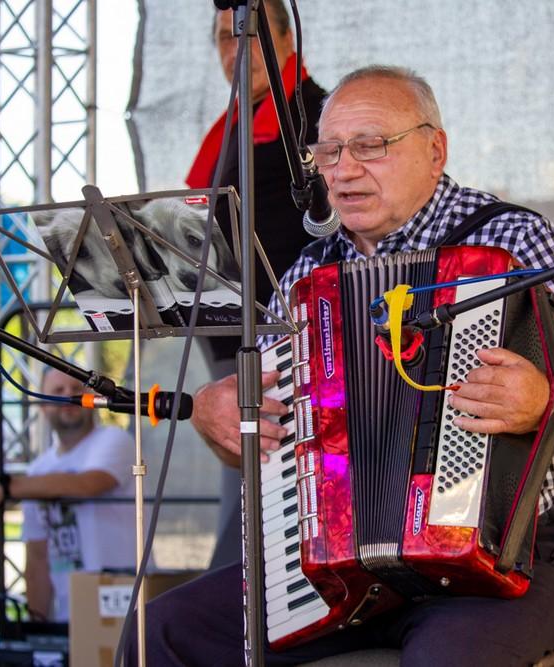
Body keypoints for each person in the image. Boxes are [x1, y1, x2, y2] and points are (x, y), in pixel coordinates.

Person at [133, 65, 554, 666]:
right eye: (328, 151)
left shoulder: (517, 245)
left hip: (511, 557)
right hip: (336, 565)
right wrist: (226, 423)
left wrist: (548, 402)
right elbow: (264, 450)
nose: (343, 169)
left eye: (370, 146)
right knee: (158, 635)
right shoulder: (304, 278)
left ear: (434, 149)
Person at [187, 0, 326, 569]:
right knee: (248, 504)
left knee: (262, 513)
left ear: (285, 41)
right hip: (229, 344)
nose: (234, 51)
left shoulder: (319, 116)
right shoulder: (231, 129)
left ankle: (243, 615)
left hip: (291, 347)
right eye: (224, 38)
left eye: (247, 35)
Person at [0, 368, 138, 623]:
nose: (68, 396)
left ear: (92, 397)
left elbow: (88, 484)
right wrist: (38, 627)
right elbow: (37, 559)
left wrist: (4, 487)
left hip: (122, 606)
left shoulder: (115, 439)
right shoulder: (37, 471)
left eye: (76, 389)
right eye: (58, 391)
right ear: (44, 406)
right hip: (67, 616)